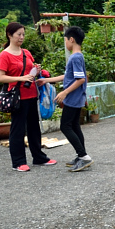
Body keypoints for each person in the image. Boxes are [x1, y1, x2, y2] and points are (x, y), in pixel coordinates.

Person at [0, 22, 57, 172]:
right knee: (18, 129)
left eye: (23, 34)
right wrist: (21, 78)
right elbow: (0, 78)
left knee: (34, 128)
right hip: (17, 97)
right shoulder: (5, 55)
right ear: (10, 35)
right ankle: (18, 162)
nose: (21, 37)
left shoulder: (26, 52)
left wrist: (36, 70)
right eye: (18, 35)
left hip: (31, 94)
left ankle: (39, 158)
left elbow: (30, 69)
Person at [40, 26, 93, 172]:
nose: (65, 44)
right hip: (77, 98)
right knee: (74, 125)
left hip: (73, 98)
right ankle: (81, 155)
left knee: (65, 126)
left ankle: (83, 156)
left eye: (65, 40)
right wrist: (47, 80)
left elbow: (80, 79)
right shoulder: (78, 56)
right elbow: (69, 76)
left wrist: (64, 92)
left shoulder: (75, 57)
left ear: (71, 39)